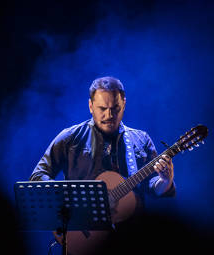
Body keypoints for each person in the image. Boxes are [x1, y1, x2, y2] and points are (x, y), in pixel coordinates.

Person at [29, 76, 176, 211]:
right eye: (102, 109)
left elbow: (153, 187)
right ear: (91, 106)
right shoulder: (69, 138)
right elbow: (38, 176)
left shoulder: (141, 139)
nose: (109, 115)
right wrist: (72, 196)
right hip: (84, 229)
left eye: (115, 108)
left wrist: (165, 181)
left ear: (124, 104)